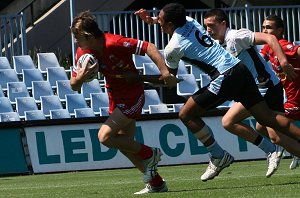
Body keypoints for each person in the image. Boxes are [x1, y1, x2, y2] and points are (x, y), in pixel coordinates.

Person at [135, 3, 300, 182]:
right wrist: (151, 20)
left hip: (225, 75)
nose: (158, 23)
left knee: (186, 115)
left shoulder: (172, 48)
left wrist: (138, 77)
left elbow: (168, 79)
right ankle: (269, 150)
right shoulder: (189, 21)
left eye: (160, 21)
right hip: (239, 69)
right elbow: (172, 23)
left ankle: (218, 155)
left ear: (170, 24)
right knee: (267, 118)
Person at [70, 11, 178, 194]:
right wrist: (80, 78)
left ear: (89, 36)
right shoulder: (83, 52)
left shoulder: (114, 42)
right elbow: (73, 86)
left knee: (105, 137)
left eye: (77, 37)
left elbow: (148, 47)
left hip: (132, 95)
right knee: (125, 144)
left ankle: (151, 153)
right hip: (114, 96)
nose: (75, 41)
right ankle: (157, 183)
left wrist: (165, 71)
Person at [203, 8, 300, 177]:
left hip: (264, 86)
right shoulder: (220, 45)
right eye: (206, 26)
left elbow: (270, 38)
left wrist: (284, 62)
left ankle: (270, 151)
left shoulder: (235, 36)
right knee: (272, 133)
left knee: (228, 121)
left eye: (211, 25)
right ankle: (273, 150)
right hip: (268, 86)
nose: (208, 30)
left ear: (223, 23)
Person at [260, 14, 300, 170]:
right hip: (289, 96)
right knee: (262, 126)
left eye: (268, 27)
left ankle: (290, 147)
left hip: (296, 98)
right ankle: (291, 147)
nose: (264, 30)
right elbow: (260, 60)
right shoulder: (268, 45)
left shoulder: (283, 45)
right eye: (263, 27)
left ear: (280, 30)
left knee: (272, 128)